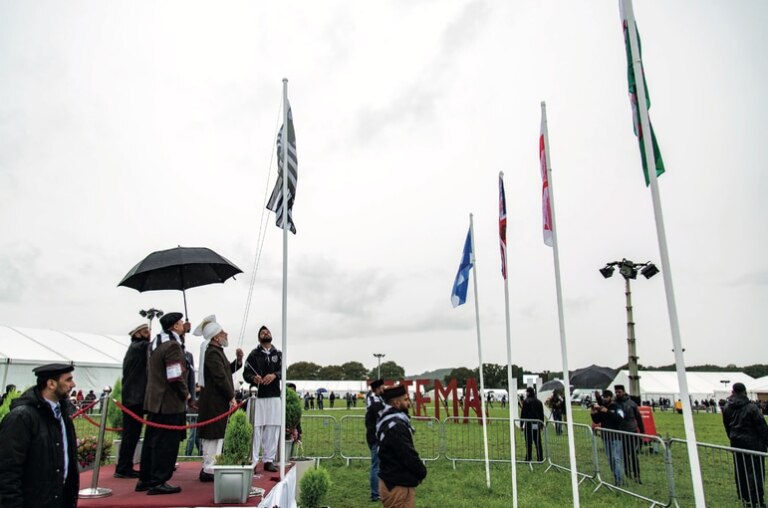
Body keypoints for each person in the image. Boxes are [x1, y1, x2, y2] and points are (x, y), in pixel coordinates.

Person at [0, 363, 79, 507]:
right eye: (68, 380)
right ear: (51, 384)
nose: (73, 384)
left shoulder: (63, 415)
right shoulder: (22, 417)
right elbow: (8, 470)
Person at [137, 312, 189, 495]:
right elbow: (175, 375)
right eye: (181, 323)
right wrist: (186, 394)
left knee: (152, 441)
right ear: (175, 326)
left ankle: (145, 478)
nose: (183, 325)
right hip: (169, 402)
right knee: (166, 444)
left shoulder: (155, 343)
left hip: (155, 400)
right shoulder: (173, 346)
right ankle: (159, 480)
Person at [194, 316, 238, 482]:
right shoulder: (212, 353)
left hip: (216, 401)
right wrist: (231, 396)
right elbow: (220, 377)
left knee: (216, 435)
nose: (225, 334)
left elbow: (226, 371)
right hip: (214, 402)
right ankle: (209, 468)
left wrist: (238, 361)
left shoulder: (217, 352)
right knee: (212, 436)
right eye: (222, 332)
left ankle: (211, 466)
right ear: (216, 336)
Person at [376, 385, 427, 508]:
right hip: (397, 486)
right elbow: (407, 454)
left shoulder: (390, 420)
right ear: (396, 403)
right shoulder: (396, 426)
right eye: (405, 400)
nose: (408, 403)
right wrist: (421, 471)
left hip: (393, 480)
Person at [722, 382, 768, 507]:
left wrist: (733, 439)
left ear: (733, 391)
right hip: (754, 445)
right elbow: (762, 427)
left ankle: (744, 496)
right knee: (755, 472)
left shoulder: (726, 407)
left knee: (740, 471)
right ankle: (756, 499)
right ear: (744, 391)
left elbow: (727, 427)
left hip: (737, 443)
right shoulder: (752, 408)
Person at [115, 323, 151, 479]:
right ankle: (123, 467)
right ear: (137, 334)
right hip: (134, 398)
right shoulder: (139, 347)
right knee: (131, 435)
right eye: (145, 331)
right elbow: (154, 347)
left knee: (132, 435)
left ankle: (124, 465)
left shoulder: (135, 348)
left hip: (132, 397)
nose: (149, 333)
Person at [243, 325, 282, 472]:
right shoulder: (253, 355)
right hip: (258, 397)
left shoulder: (278, 354)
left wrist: (274, 375)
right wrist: (254, 378)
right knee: (255, 428)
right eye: (262, 332)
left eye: (268, 331)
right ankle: (252, 460)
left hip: (273, 396)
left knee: (273, 427)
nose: (266, 333)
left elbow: (283, 371)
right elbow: (246, 374)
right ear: (259, 337)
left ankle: (268, 459)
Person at [591, 389, 625, 485]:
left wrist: (608, 412)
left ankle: (619, 480)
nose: (605, 399)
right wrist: (593, 413)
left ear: (611, 397)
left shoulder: (617, 406)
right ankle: (615, 476)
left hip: (616, 437)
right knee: (610, 459)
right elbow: (597, 420)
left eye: (606, 397)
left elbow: (620, 418)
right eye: (604, 397)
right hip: (606, 437)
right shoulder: (603, 407)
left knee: (616, 458)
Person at [614, 384, 645, 483]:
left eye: (619, 392)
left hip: (631, 431)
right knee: (624, 454)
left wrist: (642, 431)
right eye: (616, 392)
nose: (618, 394)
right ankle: (628, 473)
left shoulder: (631, 403)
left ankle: (637, 475)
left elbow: (638, 418)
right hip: (619, 432)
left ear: (623, 391)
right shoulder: (614, 403)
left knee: (633, 454)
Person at [365, 379, 386, 502]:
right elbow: (382, 412)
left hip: (378, 435)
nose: (384, 389)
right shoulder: (374, 399)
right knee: (376, 465)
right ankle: (375, 493)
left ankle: (380, 490)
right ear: (377, 388)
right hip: (375, 436)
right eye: (382, 387)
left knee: (380, 464)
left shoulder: (377, 398)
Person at [521, 387, 544, 462]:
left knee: (528, 441)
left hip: (528, 424)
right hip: (536, 424)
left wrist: (521, 424)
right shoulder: (539, 402)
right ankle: (540, 457)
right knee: (537, 441)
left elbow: (523, 414)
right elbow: (541, 414)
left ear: (528, 393)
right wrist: (541, 424)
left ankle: (528, 457)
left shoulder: (526, 402)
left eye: (526, 392)